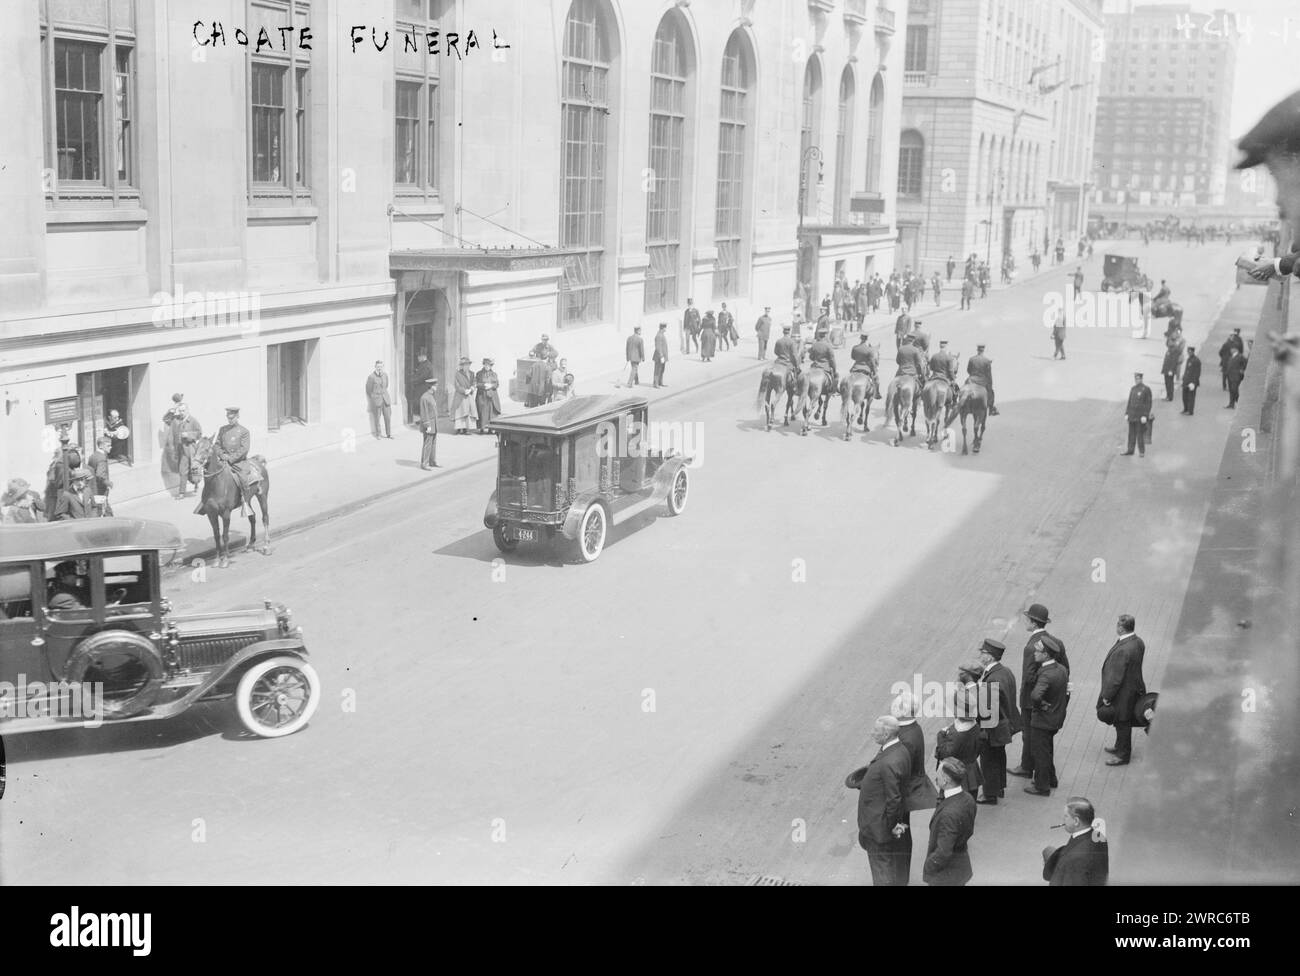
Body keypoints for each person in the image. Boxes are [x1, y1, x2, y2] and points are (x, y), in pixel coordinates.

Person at [845, 715, 912, 886]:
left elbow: (894, 798)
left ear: (887, 734)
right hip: (881, 823)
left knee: (882, 873)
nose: (872, 733)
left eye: (876, 731)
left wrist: (889, 826)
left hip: (879, 828)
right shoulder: (899, 750)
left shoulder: (888, 761)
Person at [1009, 604, 1069, 785]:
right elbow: (1065, 668)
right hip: (1052, 697)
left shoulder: (1031, 647)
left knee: (1031, 735)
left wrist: (1041, 689)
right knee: (1042, 738)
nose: (1025, 622)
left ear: (1033, 623)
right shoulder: (1056, 642)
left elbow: (1028, 677)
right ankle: (1035, 769)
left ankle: (1028, 767)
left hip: (1032, 698)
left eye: (1027, 619)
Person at [892, 693, 937, 884]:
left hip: (902, 793)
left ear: (902, 710)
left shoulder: (906, 737)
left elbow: (899, 769)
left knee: (898, 834)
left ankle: (899, 878)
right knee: (902, 832)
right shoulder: (912, 728)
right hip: (907, 790)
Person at [1098, 614, 1147, 766]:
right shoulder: (1138, 642)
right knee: (1122, 721)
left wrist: (1107, 696)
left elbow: (1115, 678)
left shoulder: (1123, 650)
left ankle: (1123, 755)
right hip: (1134, 689)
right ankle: (1119, 746)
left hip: (1122, 694)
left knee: (1122, 722)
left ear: (1120, 628)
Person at [975, 638, 1019, 805]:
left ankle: (989, 794)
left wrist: (980, 727)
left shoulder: (993, 678)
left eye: (983, 653)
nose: (981, 655)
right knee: (999, 757)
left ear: (991, 657)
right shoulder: (1005, 671)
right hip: (1003, 724)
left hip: (992, 728)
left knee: (989, 760)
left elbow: (987, 710)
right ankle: (999, 787)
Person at [1024, 641, 1069, 796]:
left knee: (1040, 753)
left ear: (1046, 654)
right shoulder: (1061, 669)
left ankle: (1042, 786)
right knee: (1047, 749)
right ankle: (1051, 778)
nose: (1034, 653)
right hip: (1056, 717)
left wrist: (1042, 706)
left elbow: (1035, 695)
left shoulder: (1046, 674)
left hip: (1043, 720)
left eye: (1038, 651)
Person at [923, 758, 978, 886]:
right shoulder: (968, 799)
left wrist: (929, 865)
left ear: (946, 779)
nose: (935, 776)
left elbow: (943, 852)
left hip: (945, 876)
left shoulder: (949, 814)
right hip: (961, 867)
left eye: (938, 773)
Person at [202, 407, 257, 517]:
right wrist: (222, 455)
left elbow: (244, 449)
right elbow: (216, 445)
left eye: (232, 418)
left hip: (238, 462)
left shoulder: (244, 431)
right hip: (223, 460)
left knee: (243, 478)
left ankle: (244, 501)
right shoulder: (223, 429)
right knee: (209, 475)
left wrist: (231, 458)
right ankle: (206, 501)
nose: (230, 420)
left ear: (237, 417)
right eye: (228, 417)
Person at [1042, 797, 1110, 885]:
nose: (1063, 820)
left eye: (1066, 816)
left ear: (1076, 821)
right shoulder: (1098, 836)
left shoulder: (1073, 860)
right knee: (1048, 850)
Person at [163, 400, 203, 497]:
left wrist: (189, 435)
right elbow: (165, 420)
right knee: (182, 470)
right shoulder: (176, 421)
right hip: (181, 449)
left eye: (183, 410)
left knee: (194, 469)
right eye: (180, 411)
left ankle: (196, 485)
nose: (181, 412)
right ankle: (182, 492)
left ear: (187, 410)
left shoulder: (193, 421)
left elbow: (199, 433)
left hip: (191, 449)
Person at [1122, 371, 1153, 456]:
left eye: (1138, 378)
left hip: (1140, 416)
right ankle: (1130, 450)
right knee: (1131, 434)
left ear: (1141, 379)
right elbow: (1129, 402)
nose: (1136, 380)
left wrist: (1145, 415)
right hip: (1132, 415)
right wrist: (1127, 413)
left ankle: (1141, 451)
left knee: (1140, 434)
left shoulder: (1146, 389)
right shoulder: (1133, 388)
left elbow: (1148, 403)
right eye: (1135, 379)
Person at [966, 344, 998, 415]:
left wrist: (973, 374)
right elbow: (989, 375)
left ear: (977, 350)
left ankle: (962, 405)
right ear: (983, 350)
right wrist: (990, 385)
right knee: (991, 393)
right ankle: (991, 408)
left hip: (971, 379)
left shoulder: (971, 359)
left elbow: (968, 370)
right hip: (982, 381)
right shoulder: (986, 361)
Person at [86, 435, 114, 517]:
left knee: (100, 508)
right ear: (101, 446)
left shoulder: (93, 455)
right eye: (108, 445)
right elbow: (100, 475)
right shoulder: (102, 458)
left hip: (93, 487)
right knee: (104, 510)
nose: (111, 447)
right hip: (100, 489)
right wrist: (108, 483)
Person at [365, 360, 393, 440]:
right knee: (377, 418)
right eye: (378, 367)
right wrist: (374, 397)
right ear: (375, 367)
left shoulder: (385, 375)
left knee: (388, 417)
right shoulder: (371, 377)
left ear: (383, 367)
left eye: (381, 367)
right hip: (377, 401)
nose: (379, 368)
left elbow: (386, 385)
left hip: (385, 399)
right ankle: (378, 434)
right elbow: (368, 390)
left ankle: (389, 434)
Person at [417, 377, 440, 470]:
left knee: (433, 443)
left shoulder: (431, 395)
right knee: (428, 443)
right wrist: (427, 425)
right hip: (429, 424)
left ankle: (432, 461)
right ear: (431, 386)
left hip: (433, 423)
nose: (437, 387)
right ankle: (424, 463)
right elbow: (424, 413)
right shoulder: (425, 397)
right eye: (435, 385)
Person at [452, 357, 478, 434]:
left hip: (469, 395)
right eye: (463, 365)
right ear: (461, 366)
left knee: (469, 411)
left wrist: (472, 388)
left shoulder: (472, 373)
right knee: (459, 412)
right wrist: (464, 390)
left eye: (467, 365)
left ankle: (467, 428)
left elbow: (474, 382)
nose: (465, 366)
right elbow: (457, 385)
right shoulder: (458, 374)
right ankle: (459, 428)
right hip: (460, 395)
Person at [407, 350, 434, 424]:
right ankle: (423, 419)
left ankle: (425, 420)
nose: (418, 358)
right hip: (421, 388)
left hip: (424, 388)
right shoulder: (423, 364)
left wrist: (412, 380)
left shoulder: (427, 365)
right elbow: (418, 374)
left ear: (423, 357)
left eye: (419, 356)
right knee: (421, 404)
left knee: (424, 404)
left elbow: (422, 377)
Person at [475, 358, 501, 433]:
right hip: (482, 395)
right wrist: (484, 385)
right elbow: (476, 383)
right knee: (482, 411)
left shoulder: (494, 374)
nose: (487, 366)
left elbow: (497, 384)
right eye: (485, 365)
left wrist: (491, 386)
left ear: (491, 366)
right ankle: (482, 428)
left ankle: (490, 428)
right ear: (483, 365)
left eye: (489, 365)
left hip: (492, 396)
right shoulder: (479, 374)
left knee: (491, 412)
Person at [1181, 346, 1202, 415]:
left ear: (1193, 352)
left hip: (1192, 382)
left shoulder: (1196, 361)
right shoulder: (1189, 359)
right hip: (1186, 381)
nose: (1189, 353)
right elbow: (1187, 370)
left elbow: (1197, 373)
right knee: (1184, 397)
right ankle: (1185, 409)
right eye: (1188, 352)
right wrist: (1184, 378)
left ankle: (1190, 411)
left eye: (1190, 352)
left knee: (1191, 398)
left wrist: (1193, 383)